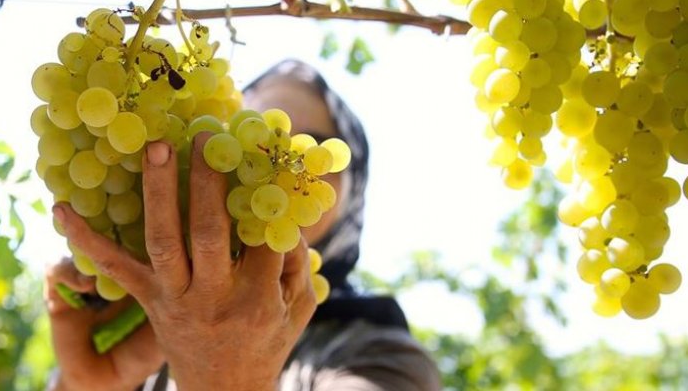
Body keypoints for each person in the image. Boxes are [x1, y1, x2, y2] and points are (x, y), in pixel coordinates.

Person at [45, 59, 441, 390]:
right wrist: (80, 386)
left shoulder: (379, 356)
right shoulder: (145, 340)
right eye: (261, 141)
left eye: (307, 146)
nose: (276, 167)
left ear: (351, 184)